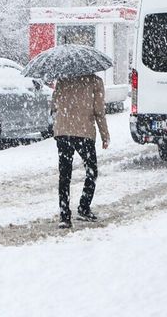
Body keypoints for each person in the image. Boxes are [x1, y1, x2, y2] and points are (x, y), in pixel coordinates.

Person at [51, 74, 110, 229]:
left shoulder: (63, 80)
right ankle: (84, 207)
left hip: (63, 133)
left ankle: (64, 216)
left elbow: (54, 106)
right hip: (84, 133)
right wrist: (105, 135)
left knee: (64, 175)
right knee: (91, 171)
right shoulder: (95, 81)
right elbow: (99, 111)